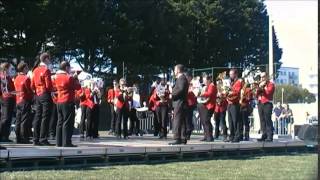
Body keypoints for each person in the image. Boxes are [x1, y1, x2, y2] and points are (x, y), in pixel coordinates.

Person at [55, 61, 81, 147]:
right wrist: (76, 78)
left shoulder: (57, 77)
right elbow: (78, 87)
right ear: (66, 68)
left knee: (60, 122)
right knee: (68, 122)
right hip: (67, 101)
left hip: (59, 101)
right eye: (69, 68)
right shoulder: (69, 77)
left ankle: (59, 142)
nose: (70, 70)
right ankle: (66, 142)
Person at [31, 52, 54, 146]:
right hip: (45, 94)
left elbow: (32, 85)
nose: (50, 60)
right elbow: (48, 85)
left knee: (38, 116)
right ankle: (43, 138)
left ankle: (35, 139)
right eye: (49, 59)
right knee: (45, 117)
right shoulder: (46, 70)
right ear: (45, 59)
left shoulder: (35, 70)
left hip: (37, 94)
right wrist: (53, 90)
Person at [14, 62, 34, 144]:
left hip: (18, 100)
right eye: (26, 68)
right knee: (24, 119)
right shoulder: (26, 78)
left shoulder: (17, 78)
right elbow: (29, 90)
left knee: (18, 119)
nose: (28, 69)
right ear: (24, 68)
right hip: (25, 100)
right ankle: (23, 137)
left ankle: (18, 137)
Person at [169, 64, 188, 145]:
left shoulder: (181, 78)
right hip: (181, 102)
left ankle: (177, 138)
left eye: (175, 69)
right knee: (182, 121)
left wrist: (172, 94)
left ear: (178, 70)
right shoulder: (181, 78)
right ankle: (183, 138)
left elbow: (181, 89)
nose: (174, 71)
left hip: (179, 102)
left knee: (177, 120)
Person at [196, 74, 217, 142]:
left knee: (206, 121)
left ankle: (209, 137)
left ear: (209, 80)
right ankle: (206, 135)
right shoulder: (207, 86)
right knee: (204, 121)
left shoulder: (212, 86)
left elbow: (210, 94)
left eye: (205, 81)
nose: (204, 82)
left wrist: (200, 94)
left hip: (210, 106)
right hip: (206, 105)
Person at [256, 72, 275, 142]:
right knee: (262, 120)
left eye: (263, 77)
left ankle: (270, 136)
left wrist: (262, 88)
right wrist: (258, 88)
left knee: (268, 119)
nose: (262, 78)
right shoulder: (260, 84)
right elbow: (256, 94)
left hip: (267, 103)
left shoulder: (271, 84)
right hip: (260, 103)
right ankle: (264, 134)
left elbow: (268, 93)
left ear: (267, 77)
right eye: (261, 77)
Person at [0, 62, 16, 142]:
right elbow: (5, 88)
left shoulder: (6, 76)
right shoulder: (4, 76)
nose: (11, 70)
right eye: (10, 68)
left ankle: (5, 136)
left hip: (7, 97)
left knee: (7, 118)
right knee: (6, 118)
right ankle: (3, 136)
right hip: (7, 98)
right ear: (6, 68)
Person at [226, 69, 242, 142]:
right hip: (229, 103)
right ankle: (231, 136)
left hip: (235, 104)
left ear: (235, 74)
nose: (230, 76)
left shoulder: (238, 82)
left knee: (236, 121)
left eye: (231, 74)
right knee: (230, 121)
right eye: (230, 74)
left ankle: (237, 136)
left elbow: (237, 92)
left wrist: (229, 92)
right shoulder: (232, 82)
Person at [185, 72, 196, 140]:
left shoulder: (192, 84)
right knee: (186, 119)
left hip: (190, 103)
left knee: (188, 119)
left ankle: (188, 132)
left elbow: (193, 93)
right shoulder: (187, 84)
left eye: (187, 77)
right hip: (187, 103)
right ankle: (187, 132)